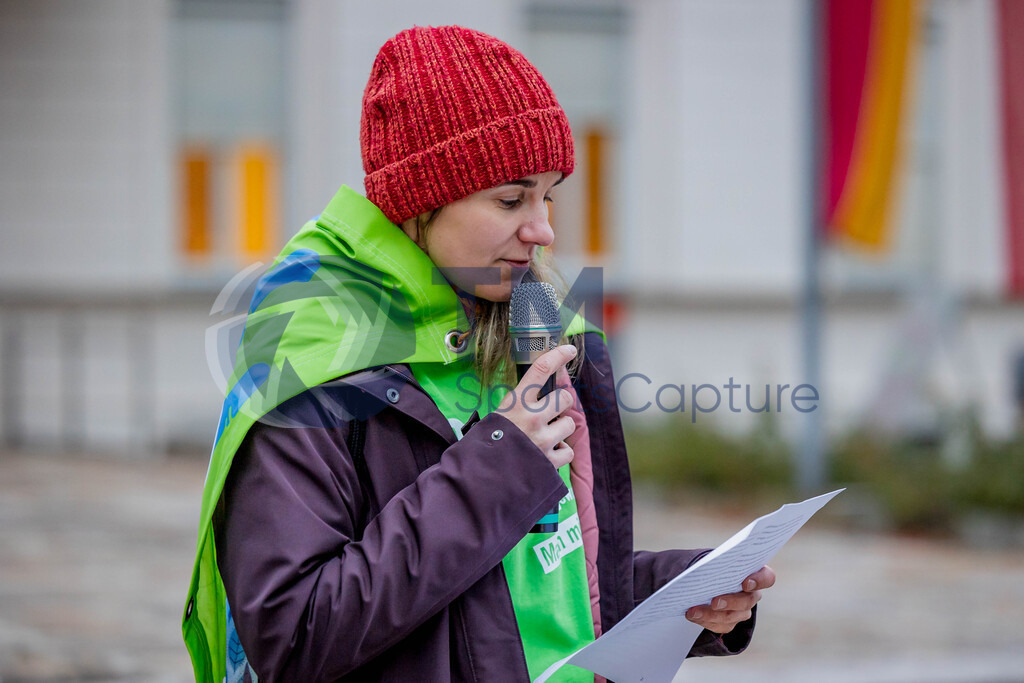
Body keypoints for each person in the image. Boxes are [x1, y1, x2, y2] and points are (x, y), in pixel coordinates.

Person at [182, 25, 774, 682]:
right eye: (511, 198)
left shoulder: (539, 331)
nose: (543, 229)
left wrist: (683, 591)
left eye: (548, 195)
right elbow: (295, 635)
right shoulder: (316, 365)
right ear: (421, 200)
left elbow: (535, 586)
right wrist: (497, 469)